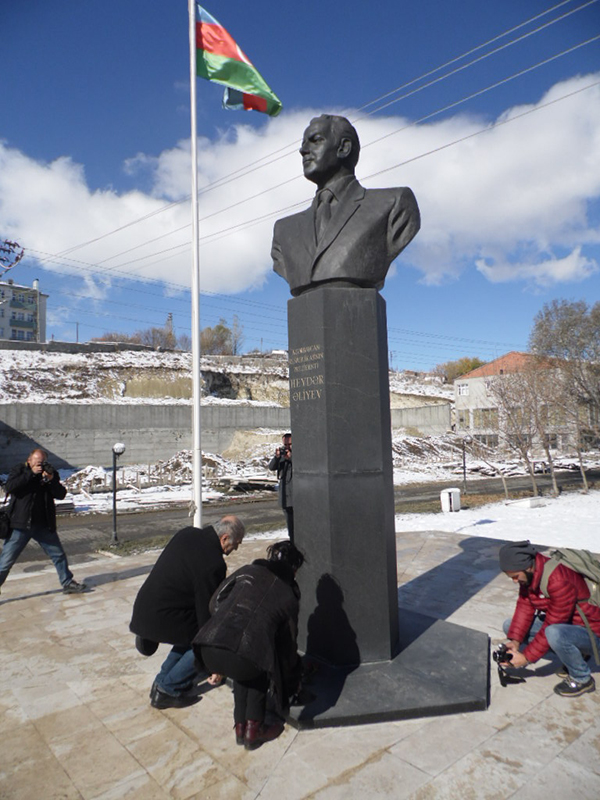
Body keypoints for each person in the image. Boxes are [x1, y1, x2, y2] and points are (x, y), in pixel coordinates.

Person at [271, 114, 420, 297]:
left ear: (344, 148)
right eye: (303, 143)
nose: (303, 150)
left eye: (315, 140)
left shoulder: (393, 203)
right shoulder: (284, 230)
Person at [194, 540, 304, 750]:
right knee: (258, 661)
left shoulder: (248, 570)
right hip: (241, 656)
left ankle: (240, 727)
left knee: (245, 661)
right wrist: (291, 672)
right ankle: (254, 731)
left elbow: (215, 601)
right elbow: (288, 643)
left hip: (208, 647)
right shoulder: (288, 594)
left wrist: (229, 625)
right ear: (294, 569)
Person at [129, 516, 245, 709]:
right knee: (202, 639)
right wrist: (213, 661)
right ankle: (168, 689)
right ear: (224, 539)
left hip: (145, 607)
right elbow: (207, 612)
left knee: (190, 633)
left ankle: (162, 682)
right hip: (163, 616)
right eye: (236, 544)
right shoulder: (213, 563)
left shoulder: (187, 533)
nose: (236, 549)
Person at [499, 540, 600, 697]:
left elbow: (553, 623)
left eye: (515, 576)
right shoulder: (531, 575)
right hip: (572, 625)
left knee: (554, 633)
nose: (514, 581)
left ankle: (582, 678)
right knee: (509, 626)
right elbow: (525, 606)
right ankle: (576, 653)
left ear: (528, 567)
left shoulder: (558, 580)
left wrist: (526, 658)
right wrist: (515, 641)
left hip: (594, 632)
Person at [0, 448, 86, 594]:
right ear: (29, 460)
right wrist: (31, 474)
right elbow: (10, 487)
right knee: (6, 560)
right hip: (20, 525)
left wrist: (51, 480)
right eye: (37, 461)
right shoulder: (20, 470)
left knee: (58, 554)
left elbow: (60, 494)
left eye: (42, 461)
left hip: (42, 525)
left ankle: (67, 583)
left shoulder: (49, 473)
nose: (40, 464)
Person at [268, 432, 294, 542]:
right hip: (286, 498)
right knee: (290, 528)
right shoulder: (282, 457)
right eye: (285, 445)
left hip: (296, 497)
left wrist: (291, 458)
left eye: (289, 445)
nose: (287, 448)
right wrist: (277, 457)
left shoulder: (299, 456)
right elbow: (271, 467)